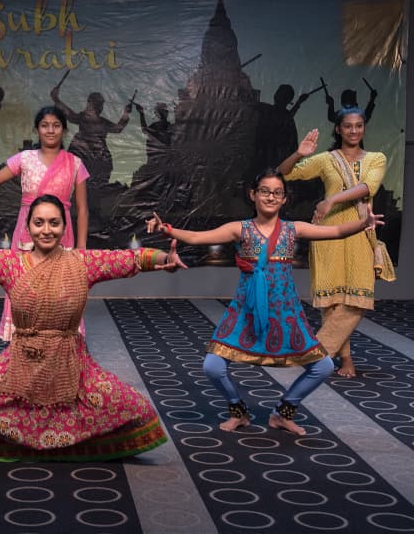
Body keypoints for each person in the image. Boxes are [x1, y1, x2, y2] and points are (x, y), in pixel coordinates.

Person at [0, 194, 185, 462]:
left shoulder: (81, 263)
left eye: (54, 223)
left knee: (140, 410)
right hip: (20, 364)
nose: (46, 230)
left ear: (64, 227)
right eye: (39, 223)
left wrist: (165, 260)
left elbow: (129, 259)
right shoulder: (11, 263)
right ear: (27, 226)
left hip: (72, 365)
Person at [148, 169, 381, 436]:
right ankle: (238, 410)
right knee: (212, 366)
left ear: (284, 199)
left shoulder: (294, 229)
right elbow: (200, 237)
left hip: (285, 312)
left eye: (277, 193)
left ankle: (283, 412)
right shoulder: (241, 229)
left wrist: (363, 223)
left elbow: (338, 230)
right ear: (253, 195)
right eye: (265, 191)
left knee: (324, 366)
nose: (271, 197)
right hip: (246, 310)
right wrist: (166, 229)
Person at [278, 109, 390, 378]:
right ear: (338, 129)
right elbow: (284, 173)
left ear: (364, 128)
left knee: (357, 299)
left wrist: (331, 200)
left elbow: (367, 188)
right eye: (348, 126)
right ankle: (345, 361)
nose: (354, 131)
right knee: (333, 302)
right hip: (327, 234)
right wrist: (299, 154)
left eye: (359, 126)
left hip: (361, 231)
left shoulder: (377, 158)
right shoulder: (327, 160)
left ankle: (315, 354)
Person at [0, 106, 89, 340]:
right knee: (25, 285)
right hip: (28, 233)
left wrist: (82, 250)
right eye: (45, 125)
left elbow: (83, 209)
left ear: (64, 130)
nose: (50, 130)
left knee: (61, 287)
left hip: (61, 233)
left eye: (56, 125)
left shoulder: (75, 163)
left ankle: (59, 340)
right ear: (37, 130)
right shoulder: (24, 159)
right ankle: (24, 340)